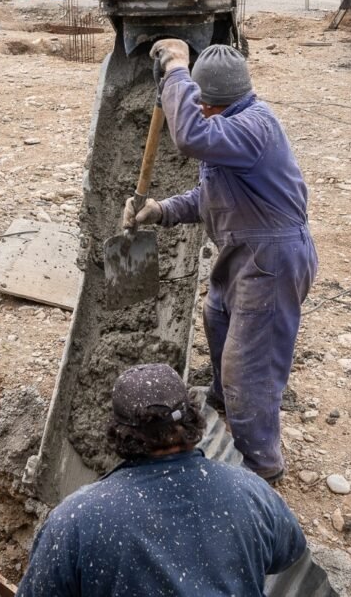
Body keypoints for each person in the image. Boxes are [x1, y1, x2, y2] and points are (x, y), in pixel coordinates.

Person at [123, 40, 317, 482]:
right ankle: (224, 408)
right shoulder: (229, 127)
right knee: (217, 322)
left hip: (272, 258)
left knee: (248, 367)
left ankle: (259, 469)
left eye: (200, 104)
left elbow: (190, 136)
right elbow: (210, 198)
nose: (198, 112)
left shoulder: (254, 126)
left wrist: (175, 70)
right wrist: (161, 210)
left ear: (211, 104)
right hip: (241, 251)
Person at [17, 363, 317, 597]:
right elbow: (285, 554)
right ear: (192, 418)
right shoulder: (251, 492)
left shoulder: (75, 519)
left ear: (118, 433)